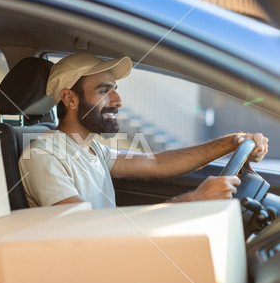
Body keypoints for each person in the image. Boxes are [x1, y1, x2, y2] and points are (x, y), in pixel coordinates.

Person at [18, 53, 269, 209]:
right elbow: (86, 232)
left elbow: (157, 163)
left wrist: (233, 143)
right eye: (105, 91)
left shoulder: (92, 149)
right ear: (70, 99)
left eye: (114, 89)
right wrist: (192, 201)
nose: (118, 101)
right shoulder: (45, 156)